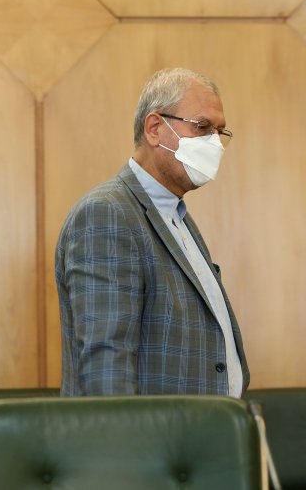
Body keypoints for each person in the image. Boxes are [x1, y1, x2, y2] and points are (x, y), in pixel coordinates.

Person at [55, 68, 250, 397]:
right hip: (156, 432)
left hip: (207, 427)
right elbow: (107, 371)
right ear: (155, 128)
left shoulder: (177, 216)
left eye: (220, 132)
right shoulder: (107, 214)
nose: (215, 144)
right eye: (202, 127)